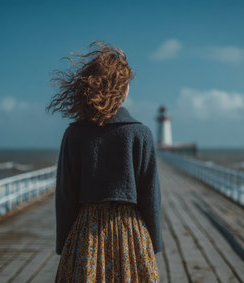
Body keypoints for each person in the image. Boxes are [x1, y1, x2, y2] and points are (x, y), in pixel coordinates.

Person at [47, 41, 162, 282]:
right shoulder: (140, 134)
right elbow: (151, 195)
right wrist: (153, 243)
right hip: (130, 233)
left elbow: (65, 195)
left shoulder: (74, 133)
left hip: (86, 233)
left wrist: (64, 245)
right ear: (121, 88)